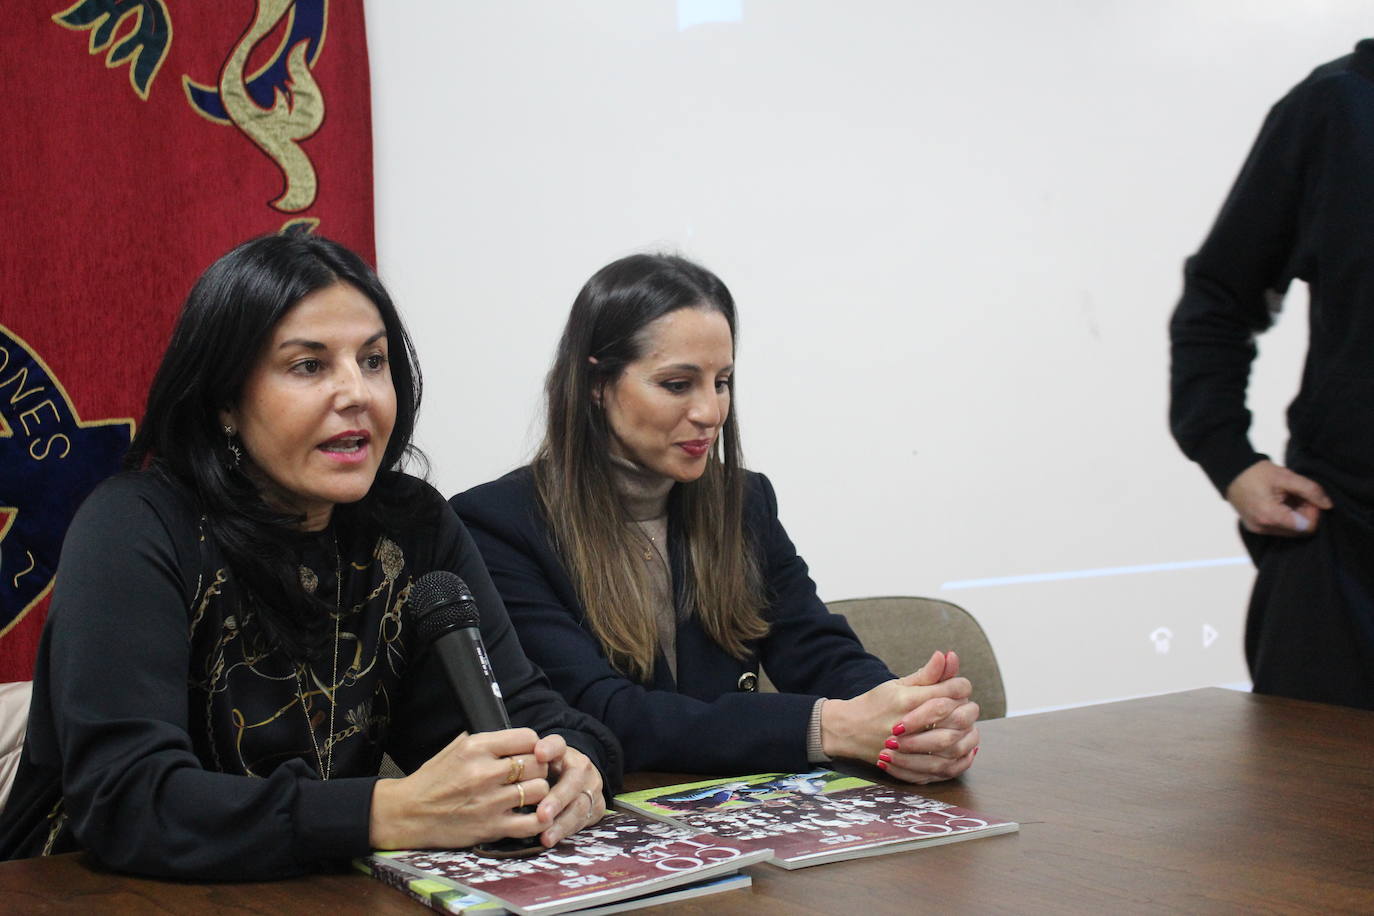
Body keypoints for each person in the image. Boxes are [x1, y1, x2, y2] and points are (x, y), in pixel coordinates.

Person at [0, 233, 619, 879]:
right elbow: (128, 800)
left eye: (374, 360)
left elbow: (534, 718)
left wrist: (577, 766)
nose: (357, 392)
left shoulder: (410, 526)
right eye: (309, 366)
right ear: (225, 402)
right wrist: (387, 812)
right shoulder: (134, 525)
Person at [452, 253, 980, 781]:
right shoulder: (497, 525)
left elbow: (816, 649)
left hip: (741, 824)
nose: (710, 412)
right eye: (678, 385)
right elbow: (604, 713)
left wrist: (906, 714)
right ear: (597, 384)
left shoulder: (743, 501)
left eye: (721, 381)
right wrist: (831, 727)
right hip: (603, 834)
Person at [1169, 39, 1374, 710]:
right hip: (1348, 562)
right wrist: (1230, 457)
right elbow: (1220, 297)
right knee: (1310, 811)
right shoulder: (1338, 106)